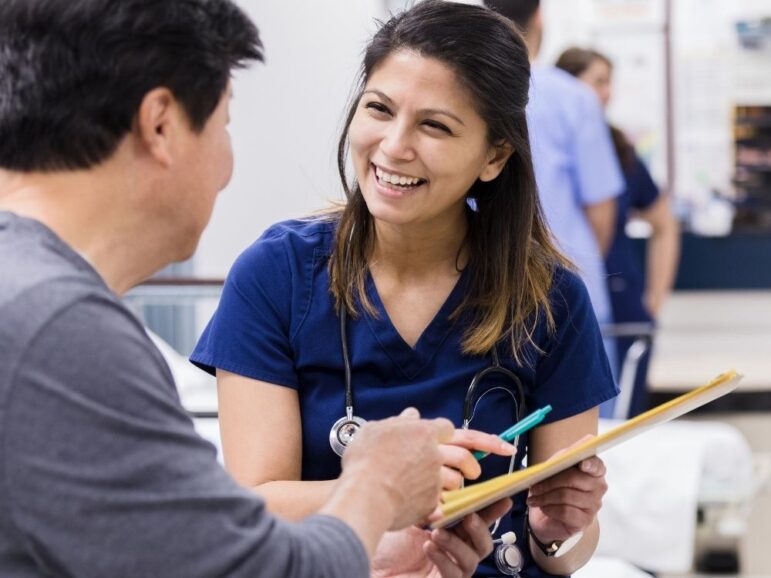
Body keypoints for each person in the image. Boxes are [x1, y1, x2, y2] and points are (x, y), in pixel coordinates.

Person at [0, 1, 506, 577]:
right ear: (161, 124)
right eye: (225, 126)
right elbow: (248, 568)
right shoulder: (58, 328)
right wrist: (377, 485)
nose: (226, 168)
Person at [191, 2, 615, 576]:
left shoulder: (551, 299)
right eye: (379, 109)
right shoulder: (278, 275)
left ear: (494, 156)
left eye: (434, 125)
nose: (393, 145)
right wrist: (388, 490)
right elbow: (254, 505)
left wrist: (558, 530)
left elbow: (564, 553)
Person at [484, 0, 626, 386]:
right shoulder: (574, 98)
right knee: (586, 435)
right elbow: (601, 210)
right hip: (570, 290)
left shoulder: (472, 92)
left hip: (488, 292)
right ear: (540, 17)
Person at [555, 46, 680, 416]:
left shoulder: (619, 149)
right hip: (569, 301)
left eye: (610, 82)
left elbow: (664, 224)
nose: (606, 92)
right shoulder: (544, 143)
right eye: (598, 81)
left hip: (621, 303)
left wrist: (655, 298)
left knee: (625, 418)